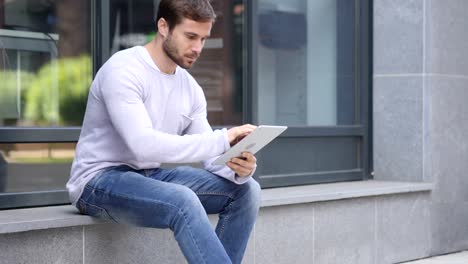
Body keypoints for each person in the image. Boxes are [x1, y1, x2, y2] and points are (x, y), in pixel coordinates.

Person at [66, 0, 261, 263]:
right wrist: (222, 138)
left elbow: (210, 158)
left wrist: (236, 167)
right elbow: (143, 144)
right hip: (98, 182)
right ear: (163, 26)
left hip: (150, 176)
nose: (197, 48)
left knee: (248, 191)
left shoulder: (190, 89)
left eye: (203, 39)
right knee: (183, 200)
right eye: (190, 36)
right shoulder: (124, 69)